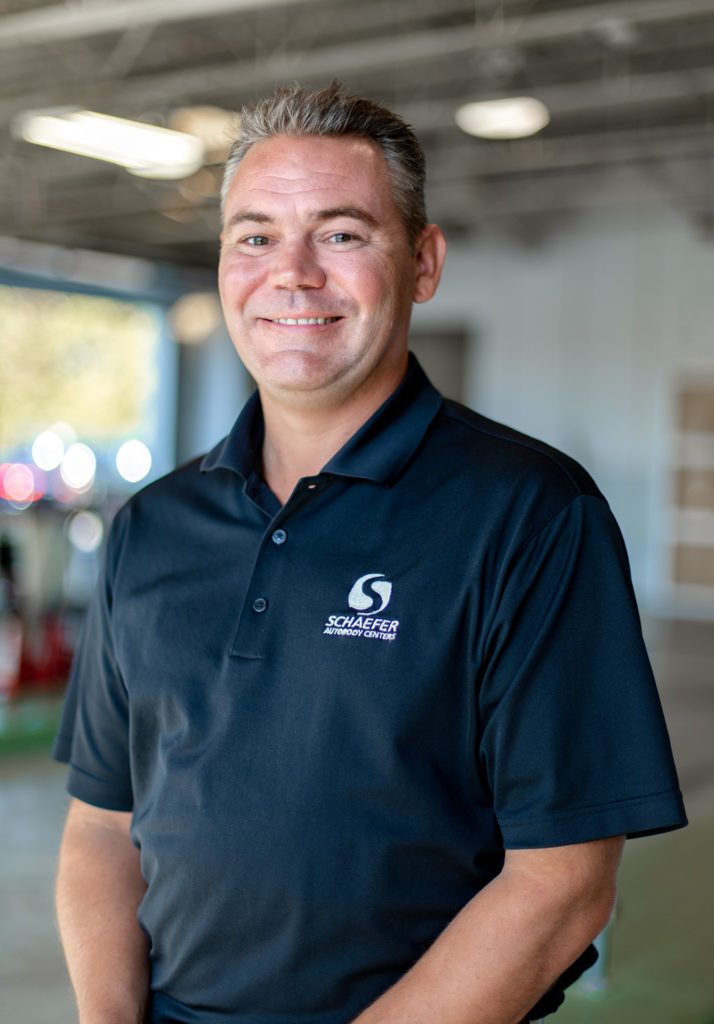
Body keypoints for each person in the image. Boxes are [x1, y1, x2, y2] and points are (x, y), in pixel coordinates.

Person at [53, 82, 686, 1024]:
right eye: (256, 236)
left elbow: (561, 884)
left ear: (422, 263)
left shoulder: (530, 514)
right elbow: (103, 827)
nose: (292, 273)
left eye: (342, 234)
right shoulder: (152, 528)